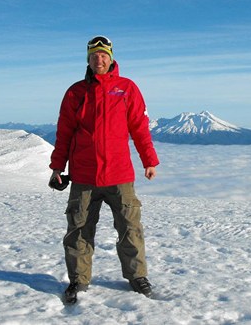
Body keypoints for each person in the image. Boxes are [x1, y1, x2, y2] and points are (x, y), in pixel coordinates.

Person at [49, 35, 159, 303]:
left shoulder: (127, 88)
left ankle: (137, 276)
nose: (99, 59)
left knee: (130, 228)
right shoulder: (76, 92)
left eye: (103, 55)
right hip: (84, 176)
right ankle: (78, 279)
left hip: (119, 174)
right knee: (79, 230)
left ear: (111, 58)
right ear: (88, 59)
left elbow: (139, 128)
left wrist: (149, 160)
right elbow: (64, 131)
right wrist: (56, 166)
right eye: (94, 55)